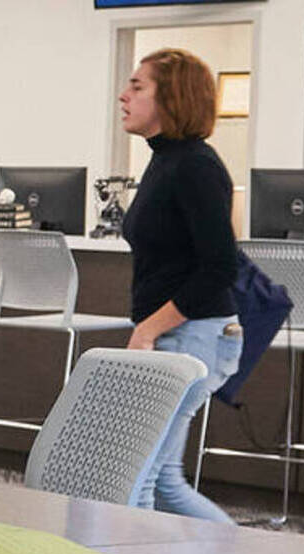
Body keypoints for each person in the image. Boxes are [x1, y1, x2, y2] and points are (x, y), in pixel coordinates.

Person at [117, 47, 240, 525]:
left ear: (171, 98)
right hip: (181, 334)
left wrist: (149, 330)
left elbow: (220, 267)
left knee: (137, 481)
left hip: (193, 335)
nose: (123, 95)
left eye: (137, 86)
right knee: (163, 483)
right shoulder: (165, 160)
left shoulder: (195, 166)